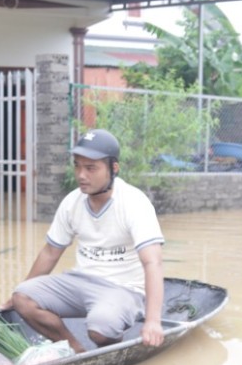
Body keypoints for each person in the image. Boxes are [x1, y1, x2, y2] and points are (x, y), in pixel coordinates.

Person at [10, 129, 166, 353]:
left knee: (100, 329)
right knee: (22, 297)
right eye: (77, 166)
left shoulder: (134, 203)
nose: (81, 175)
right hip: (80, 281)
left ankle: (114, 341)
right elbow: (50, 252)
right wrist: (17, 294)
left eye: (91, 168)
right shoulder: (72, 202)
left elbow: (153, 262)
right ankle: (76, 351)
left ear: (113, 169)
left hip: (122, 288)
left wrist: (153, 321)